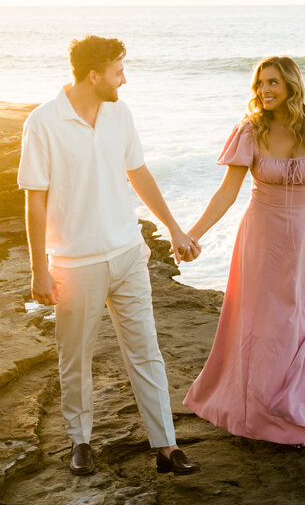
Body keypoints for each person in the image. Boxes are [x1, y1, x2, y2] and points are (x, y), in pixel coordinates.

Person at [18, 35, 201, 476]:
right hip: (74, 263)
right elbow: (35, 199)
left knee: (146, 351)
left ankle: (167, 446)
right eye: (119, 70)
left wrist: (174, 228)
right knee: (75, 355)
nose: (125, 78)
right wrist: (38, 269)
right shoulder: (43, 122)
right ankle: (80, 442)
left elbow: (137, 172)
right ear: (94, 74)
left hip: (126, 253)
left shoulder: (120, 113)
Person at [183, 56, 305, 446]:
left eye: (272, 82)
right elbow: (227, 192)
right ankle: (256, 409)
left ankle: (287, 406)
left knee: (294, 321)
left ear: (291, 84)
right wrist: (191, 234)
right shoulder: (250, 131)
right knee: (261, 325)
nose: (264, 90)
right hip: (262, 237)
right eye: (259, 83)